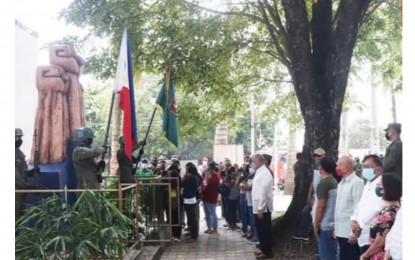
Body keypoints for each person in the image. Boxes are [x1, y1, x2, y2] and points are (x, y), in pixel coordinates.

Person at [359, 172, 401, 260]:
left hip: (379, 256)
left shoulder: (389, 213)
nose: (377, 186)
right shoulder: (389, 208)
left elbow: (379, 243)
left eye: (380, 184)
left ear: (388, 188)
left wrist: (364, 256)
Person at [350, 155, 385, 255]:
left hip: (373, 236)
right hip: (362, 235)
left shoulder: (382, 185)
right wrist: (354, 220)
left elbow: (377, 208)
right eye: (363, 167)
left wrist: (358, 226)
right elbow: (360, 205)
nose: (365, 170)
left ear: (378, 168)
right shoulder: (368, 184)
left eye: (368, 166)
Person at [335, 156, 364, 260]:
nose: (336, 167)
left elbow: (358, 207)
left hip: (349, 232)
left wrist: (353, 233)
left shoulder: (356, 183)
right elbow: (339, 207)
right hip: (340, 230)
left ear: (345, 167)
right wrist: (336, 228)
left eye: (338, 165)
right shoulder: (341, 183)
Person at [313, 156, 338, 260]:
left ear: (321, 168)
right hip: (333, 223)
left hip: (326, 224)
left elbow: (321, 206)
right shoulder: (334, 181)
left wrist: (316, 223)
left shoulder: (323, 184)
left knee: (326, 255)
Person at [251, 154, 274, 260]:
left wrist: (261, 208)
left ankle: (267, 251)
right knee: (260, 229)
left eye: (254, 161)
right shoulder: (259, 171)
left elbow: (264, 192)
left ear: (260, 161)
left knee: (265, 230)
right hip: (257, 205)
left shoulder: (265, 173)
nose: (253, 163)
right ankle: (263, 249)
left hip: (263, 207)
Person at [15, 128, 38, 221]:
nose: (18, 139)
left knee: (20, 216)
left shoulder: (19, 153)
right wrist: (26, 186)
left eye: (20, 137)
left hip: (21, 190)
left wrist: (31, 172)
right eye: (16, 137)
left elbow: (23, 169)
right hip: (16, 190)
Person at [181, 165, 200, 242]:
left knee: (191, 219)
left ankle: (194, 236)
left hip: (189, 200)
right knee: (192, 218)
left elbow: (183, 185)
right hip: (191, 199)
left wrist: (184, 178)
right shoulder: (195, 178)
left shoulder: (191, 179)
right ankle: (193, 234)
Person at [201, 161, 221, 234]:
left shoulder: (216, 177)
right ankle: (209, 227)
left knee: (212, 213)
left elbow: (208, 182)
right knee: (207, 214)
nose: (208, 171)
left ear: (212, 170)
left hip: (211, 198)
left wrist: (206, 175)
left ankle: (214, 228)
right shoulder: (210, 176)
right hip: (206, 197)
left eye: (209, 170)